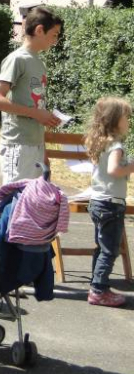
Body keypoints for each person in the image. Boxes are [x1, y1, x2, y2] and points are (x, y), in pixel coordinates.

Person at [0, 7, 63, 184]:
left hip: (35, 145)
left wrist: (43, 151)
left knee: (32, 199)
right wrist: (36, 113)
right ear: (39, 30)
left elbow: (37, 106)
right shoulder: (17, 59)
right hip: (18, 144)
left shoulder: (39, 62)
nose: (56, 41)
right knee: (15, 197)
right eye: (54, 35)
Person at [84, 97, 133, 308]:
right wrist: (131, 166)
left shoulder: (100, 142)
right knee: (109, 250)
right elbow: (114, 170)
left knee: (102, 247)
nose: (129, 121)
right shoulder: (116, 145)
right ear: (115, 120)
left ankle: (97, 285)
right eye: (126, 117)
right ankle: (98, 291)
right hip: (111, 204)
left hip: (97, 202)